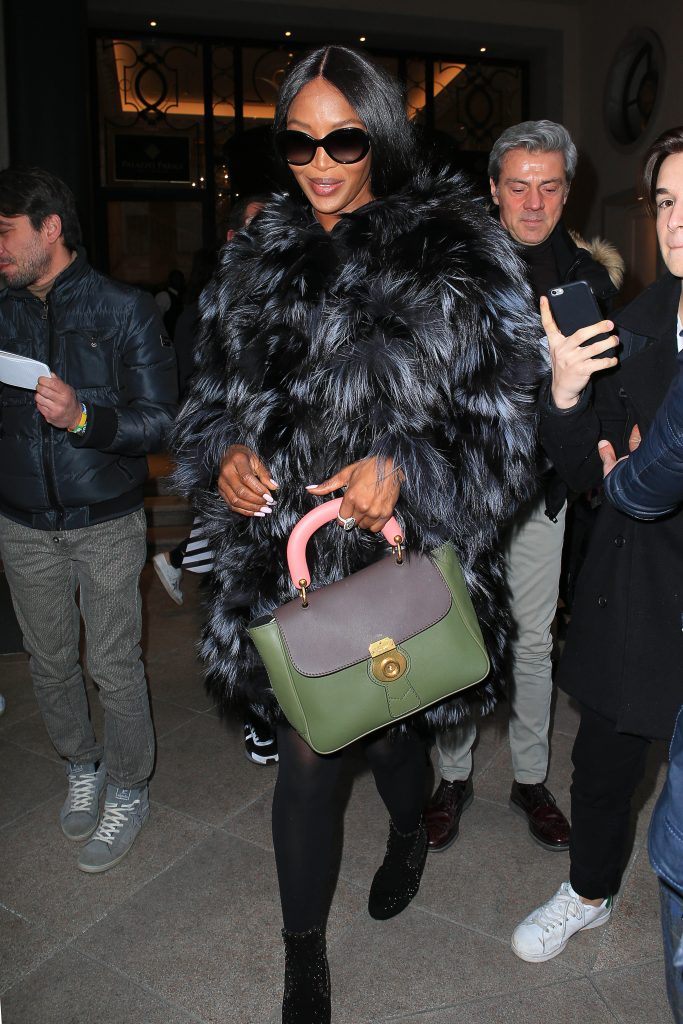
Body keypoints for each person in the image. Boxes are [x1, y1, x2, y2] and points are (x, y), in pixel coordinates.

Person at [174, 46, 544, 1022]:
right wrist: (224, 456)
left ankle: (409, 830)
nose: (320, 160)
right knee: (309, 743)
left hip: (400, 554)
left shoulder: (455, 251)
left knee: (388, 727)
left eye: (342, 136)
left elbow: (507, 428)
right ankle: (303, 956)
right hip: (288, 560)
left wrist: (406, 471)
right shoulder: (253, 257)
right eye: (298, 140)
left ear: (378, 130)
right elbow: (209, 399)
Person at [426, 120, 622, 855]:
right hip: (460, 494)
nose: (532, 202)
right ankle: (450, 777)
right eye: (517, 186)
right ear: (492, 190)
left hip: (542, 493)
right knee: (453, 641)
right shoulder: (453, 270)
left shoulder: (590, 280)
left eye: (547, 186)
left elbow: (602, 391)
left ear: (567, 192)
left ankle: (530, 779)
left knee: (534, 643)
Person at [511, 126, 683, 964]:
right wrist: (569, 392)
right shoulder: (637, 320)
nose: (678, 222)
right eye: (665, 202)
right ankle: (587, 890)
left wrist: (643, 466)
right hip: (635, 584)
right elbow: (588, 467)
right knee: (603, 766)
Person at [0, 167, 178, 873]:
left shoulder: (125, 311)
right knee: (48, 663)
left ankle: (130, 787)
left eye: (5, 234)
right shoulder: (2, 311)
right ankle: (83, 762)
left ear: (50, 229)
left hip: (104, 519)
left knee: (111, 665)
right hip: (21, 522)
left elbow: (161, 421)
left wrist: (83, 417)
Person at [152, 196, 278, 767]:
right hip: (234, 489)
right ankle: (260, 713)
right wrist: (223, 449)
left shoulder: (306, 297)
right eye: (255, 228)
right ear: (232, 241)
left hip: (301, 492)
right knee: (246, 609)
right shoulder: (205, 311)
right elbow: (188, 408)